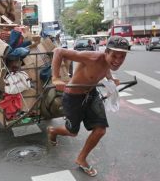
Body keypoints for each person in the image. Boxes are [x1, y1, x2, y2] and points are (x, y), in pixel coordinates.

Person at [47, 35, 129, 177]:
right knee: (72, 132)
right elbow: (58, 51)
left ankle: (81, 158)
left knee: (100, 130)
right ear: (106, 52)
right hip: (73, 97)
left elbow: (106, 68)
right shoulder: (92, 57)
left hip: (91, 95)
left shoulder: (108, 63)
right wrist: (56, 78)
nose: (117, 61)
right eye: (114, 56)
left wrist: (111, 78)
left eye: (122, 57)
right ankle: (53, 131)